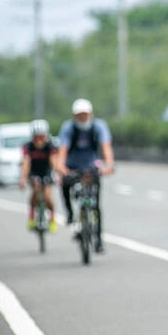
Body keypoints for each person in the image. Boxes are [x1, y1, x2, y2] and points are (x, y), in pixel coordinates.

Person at [56, 98, 115, 253]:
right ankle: (69, 213)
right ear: (74, 116)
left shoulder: (98, 127)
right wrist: (61, 167)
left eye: (85, 115)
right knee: (64, 184)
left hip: (91, 166)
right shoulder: (68, 129)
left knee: (95, 204)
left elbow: (106, 148)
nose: (83, 118)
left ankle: (99, 239)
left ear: (91, 114)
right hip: (73, 166)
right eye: (80, 115)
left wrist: (109, 165)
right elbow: (62, 152)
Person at [19, 119, 59, 233]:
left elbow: (53, 161)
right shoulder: (28, 147)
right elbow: (26, 163)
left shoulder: (50, 146)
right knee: (35, 191)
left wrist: (56, 174)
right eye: (36, 138)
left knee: (47, 197)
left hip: (46, 171)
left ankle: (52, 218)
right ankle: (32, 216)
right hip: (34, 172)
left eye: (42, 137)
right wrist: (23, 178)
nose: (39, 141)